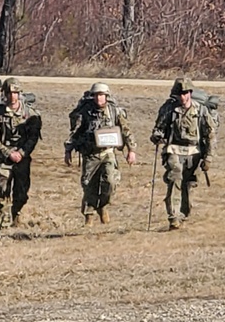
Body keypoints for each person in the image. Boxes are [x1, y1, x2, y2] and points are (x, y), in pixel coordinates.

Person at [64, 82, 137, 225]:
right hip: (90, 154)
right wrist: (68, 149)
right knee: (88, 185)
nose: (99, 99)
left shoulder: (114, 111)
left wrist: (131, 150)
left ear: (106, 96)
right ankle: (89, 216)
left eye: (102, 95)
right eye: (96, 95)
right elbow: (75, 132)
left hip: (108, 153)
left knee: (110, 182)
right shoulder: (85, 112)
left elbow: (126, 130)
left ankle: (103, 206)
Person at [150, 77, 216, 230]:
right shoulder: (169, 109)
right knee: (175, 177)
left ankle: (184, 213)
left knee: (188, 184)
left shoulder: (201, 110)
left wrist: (209, 157)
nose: (183, 97)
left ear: (190, 93)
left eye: (185, 93)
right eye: (180, 93)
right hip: (174, 149)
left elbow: (210, 135)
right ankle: (173, 217)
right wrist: (157, 136)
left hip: (194, 152)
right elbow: (158, 128)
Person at [0, 77, 41, 228]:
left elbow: (33, 138)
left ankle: (17, 215)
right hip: (4, 157)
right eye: (9, 93)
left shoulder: (31, 114)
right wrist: (8, 153)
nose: (12, 96)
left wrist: (21, 153)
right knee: (3, 189)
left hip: (22, 157)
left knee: (21, 191)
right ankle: (4, 219)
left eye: (15, 92)